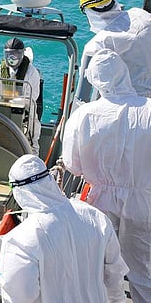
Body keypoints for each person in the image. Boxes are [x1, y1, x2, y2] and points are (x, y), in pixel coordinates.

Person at [62, 48, 151, 303]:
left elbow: (72, 164)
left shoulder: (83, 115)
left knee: (99, 266)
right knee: (143, 269)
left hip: (99, 200)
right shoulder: (149, 109)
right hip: (143, 200)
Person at [0, 154, 128, 303]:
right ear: (49, 179)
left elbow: (21, 296)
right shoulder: (95, 217)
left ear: (18, 190)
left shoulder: (21, 239)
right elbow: (114, 275)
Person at [79, 0, 151, 98]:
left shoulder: (97, 44)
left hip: (131, 104)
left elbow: (86, 87)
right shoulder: (142, 16)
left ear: (88, 12)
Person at [0, 37, 41, 155]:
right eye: (9, 54)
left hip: (25, 113)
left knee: (32, 139)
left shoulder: (32, 72)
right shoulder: (0, 70)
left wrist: (15, 101)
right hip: (4, 110)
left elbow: (32, 96)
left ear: (21, 55)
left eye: (15, 54)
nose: (12, 57)